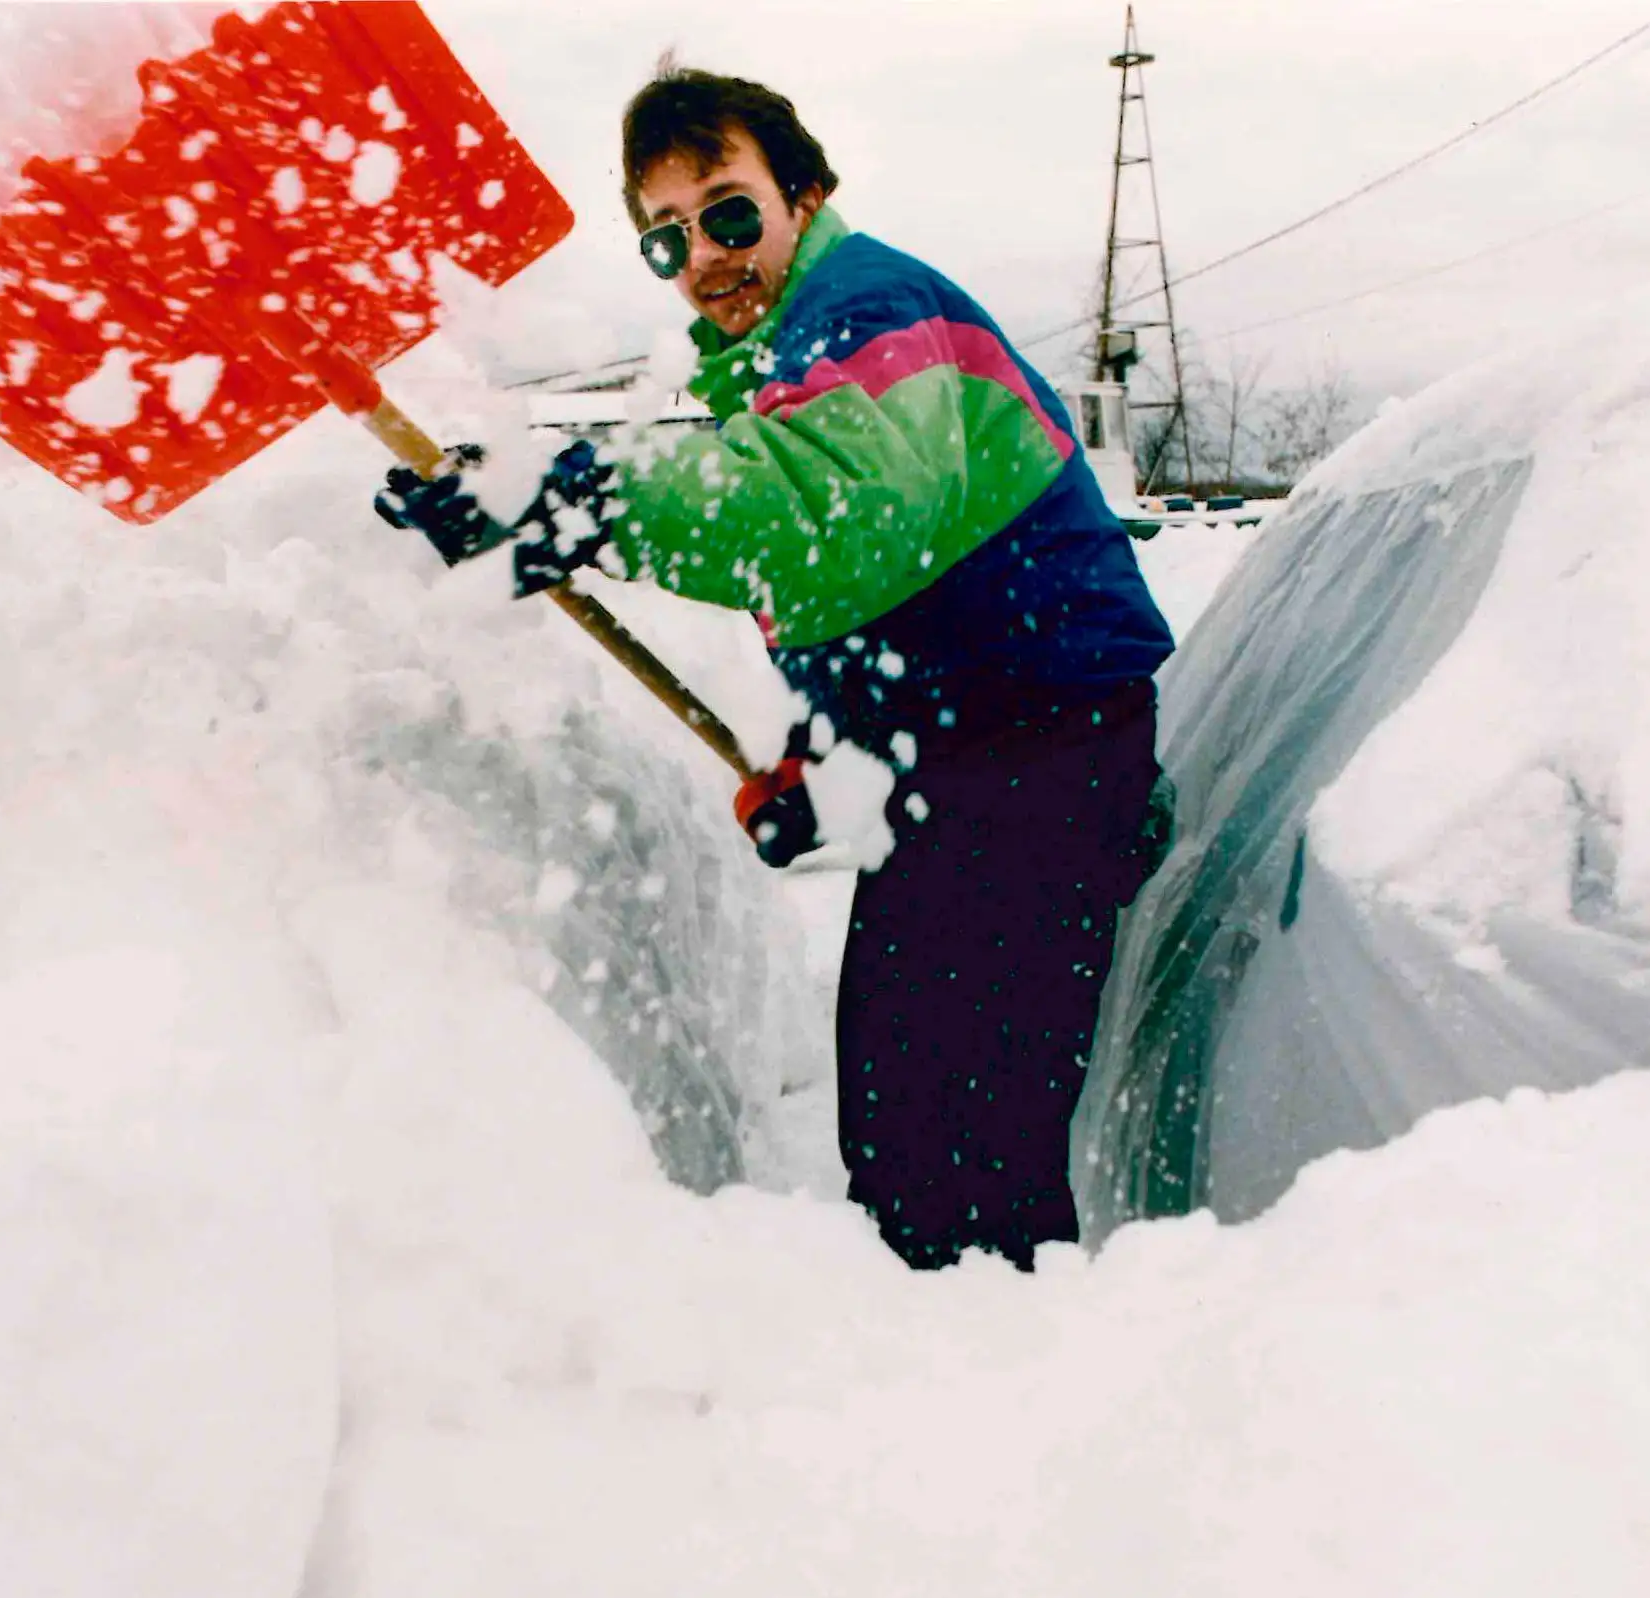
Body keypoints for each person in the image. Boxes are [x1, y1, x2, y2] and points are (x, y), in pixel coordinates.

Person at [378, 66, 1173, 1272]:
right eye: (666, 240)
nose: (703, 253)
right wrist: (823, 761)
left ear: (801, 195)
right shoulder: (776, 362)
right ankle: (962, 1351)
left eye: (729, 212)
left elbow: (843, 511)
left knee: (962, 1153)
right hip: (956, 756)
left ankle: (1011, 1394)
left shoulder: (871, 304)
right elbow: (852, 597)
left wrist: (572, 501)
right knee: (904, 1118)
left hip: (1038, 746)